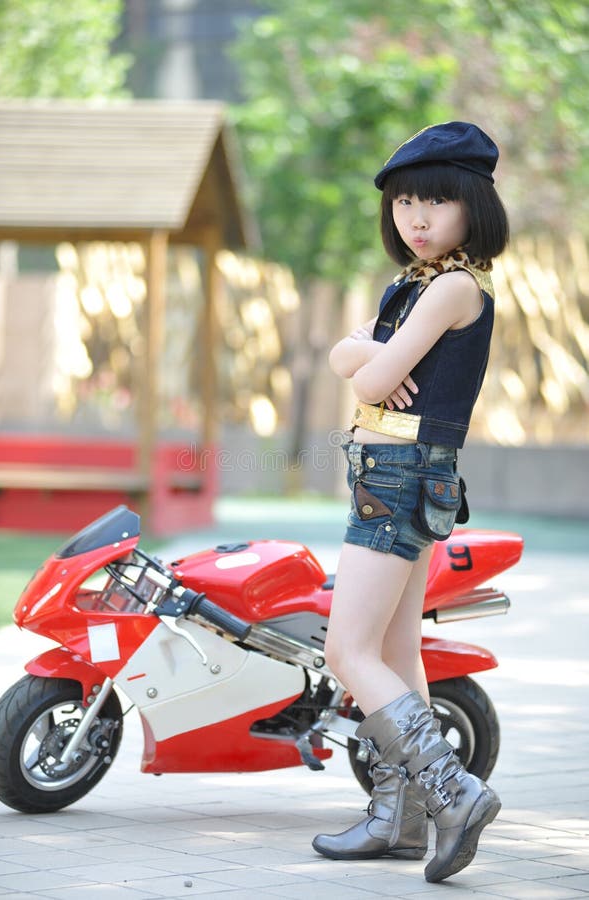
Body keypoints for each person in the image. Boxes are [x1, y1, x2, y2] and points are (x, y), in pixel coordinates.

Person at [312, 121, 509, 883]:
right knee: (393, 652)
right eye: (403, 204)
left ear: (474, 208)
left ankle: (452, 794)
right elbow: (344, 354)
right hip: (396, 471)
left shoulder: (456, 287)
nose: (416, 219)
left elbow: (359, 378)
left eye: (435, 202)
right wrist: (367, 357)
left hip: (400, 472)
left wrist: (366, 361)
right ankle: (399, 818)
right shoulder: (414, 285)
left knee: (346, 650)